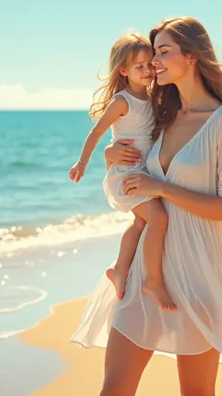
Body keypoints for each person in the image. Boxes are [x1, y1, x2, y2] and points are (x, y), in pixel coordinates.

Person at [71, 17, 222, 396]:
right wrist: (108, 153)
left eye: (164, 51)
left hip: (198, 275)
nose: (154, 60)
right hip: (144, 272)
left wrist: (162, 188)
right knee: (114, 390)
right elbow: (131, 161)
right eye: (153, 53)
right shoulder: (161, 115)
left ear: (192, 56)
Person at [69, 32, 176, 311]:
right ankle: (153, 281)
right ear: (123, 70)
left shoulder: (153, 96)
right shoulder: (122, 101)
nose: (146, 71)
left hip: (143, 171)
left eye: (149, 65)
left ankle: (119, 269)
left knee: (141, 223)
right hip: (126, 173)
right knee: (158, 218)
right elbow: (97, 132)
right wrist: (83, 163)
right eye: (138, 67)